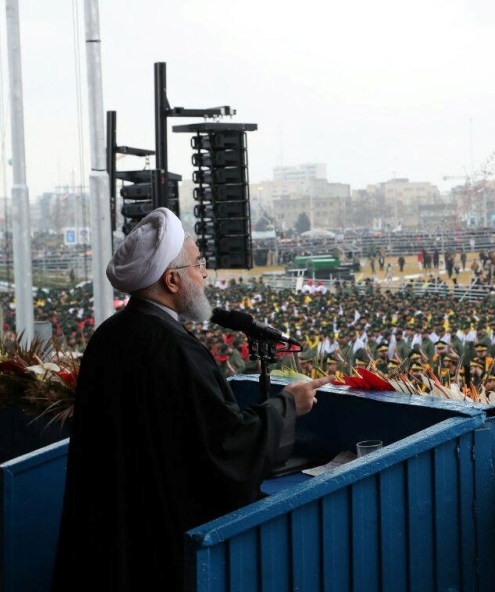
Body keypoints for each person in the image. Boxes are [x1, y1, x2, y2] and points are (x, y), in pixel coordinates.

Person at [53, 209, 330, 592]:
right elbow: (225, 445)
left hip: (111, 522)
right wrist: (287, 406)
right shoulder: (174, 349)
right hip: (159, 534)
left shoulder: (109, 335)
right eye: (198, 264)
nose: (204, 275)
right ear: (172, 280)